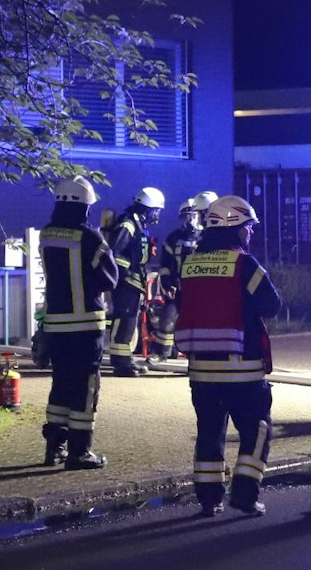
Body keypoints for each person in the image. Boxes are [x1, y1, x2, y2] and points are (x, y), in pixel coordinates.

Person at [174, 194, 282, 517]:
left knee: (209, 434)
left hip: (201, 372)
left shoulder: (190, 263)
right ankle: (245, 495)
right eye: (248, 228)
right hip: (243, 369)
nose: (250, 234)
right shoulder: (244, 263)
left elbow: (186, 305)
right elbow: (272, 304)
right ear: (236, 226)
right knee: (258, 429)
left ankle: (209, 500)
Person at [39, 177, 120, 468]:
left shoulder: (46, 234)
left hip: (56, 326)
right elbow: (110, 278)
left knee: (60, 385)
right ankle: (80, 451)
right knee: (86, 388)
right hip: (86, 327)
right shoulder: (90, 237)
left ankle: (55, 448)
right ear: (84, 207)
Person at [105, 186, 165, 375]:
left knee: (130, 321)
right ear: (149, 208)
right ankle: (120, 363)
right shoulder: (128, 224)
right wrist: (126, 274)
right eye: (156, 210)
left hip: (132, 280)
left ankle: (125, 359)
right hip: (126, 281)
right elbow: (114, 252)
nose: (157, 215)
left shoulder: (137, 223)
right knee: (124, 320)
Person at [153, 192, 216, 358]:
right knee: (168, 318)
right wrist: (166, 281)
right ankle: (164, 353)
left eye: (192, 216)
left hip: (200, 290)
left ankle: (197, 354)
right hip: (178, 288)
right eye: (184, 217)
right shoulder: (173, 238)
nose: (188, 221)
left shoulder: (207, 237)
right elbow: (165, 263)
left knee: (198, 323)